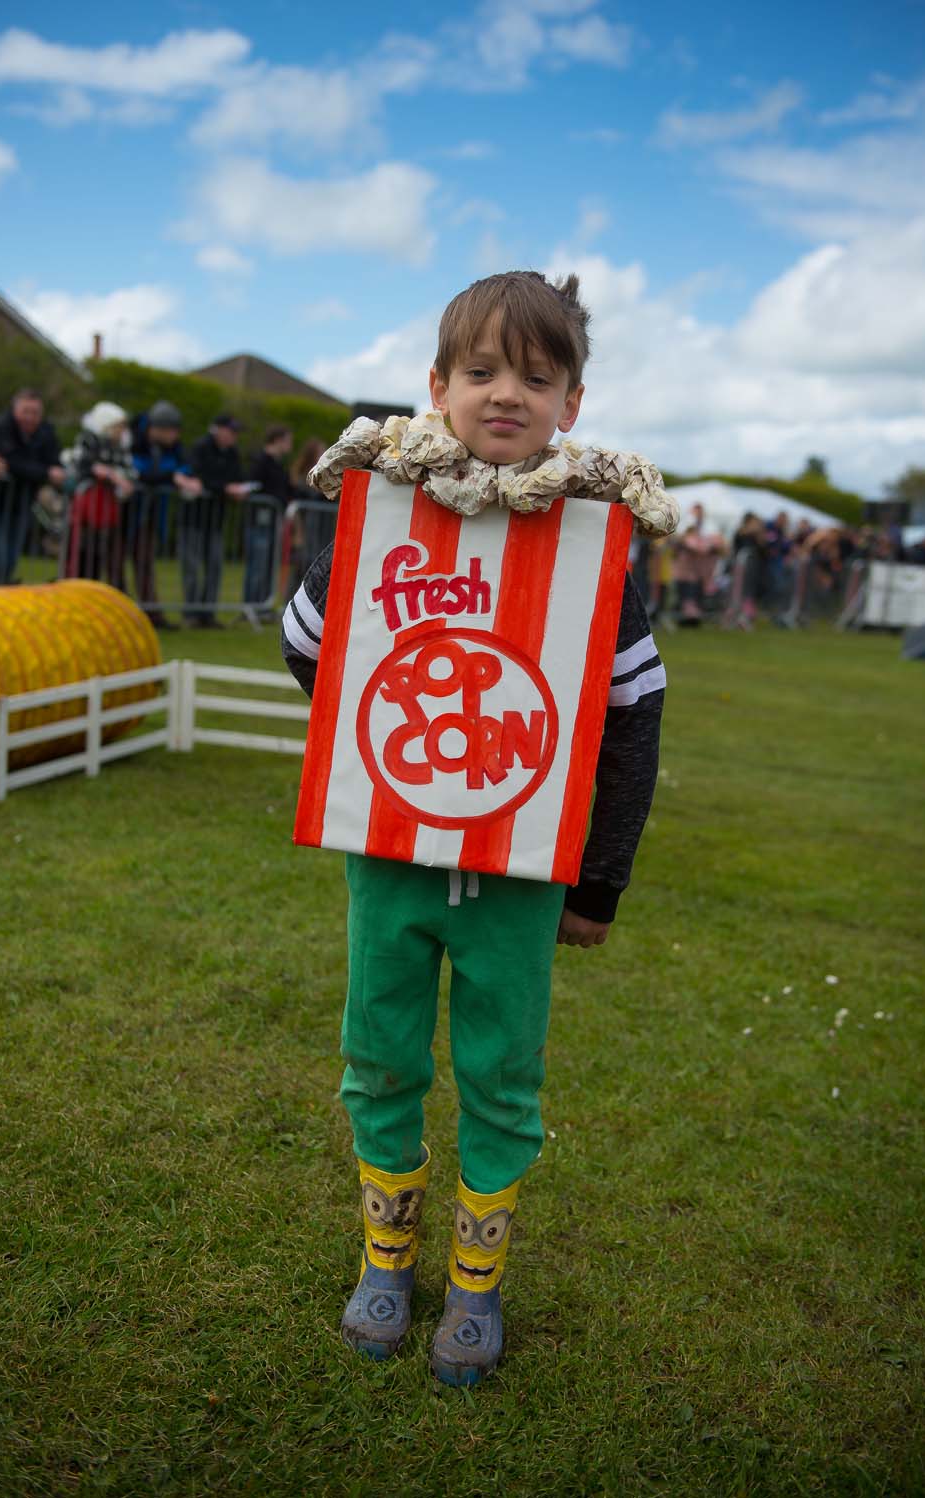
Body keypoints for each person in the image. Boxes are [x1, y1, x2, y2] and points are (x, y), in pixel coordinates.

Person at [281, 271, 668, 1386]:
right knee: (380, 1052)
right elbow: (309, 645)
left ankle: (475, 1285)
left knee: (502, 1070)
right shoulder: (383, 516)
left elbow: (632, 717)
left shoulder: (599, 549)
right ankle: (385, 1257)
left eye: (535, 377)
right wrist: (379, 743)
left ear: (572, 403)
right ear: (437, 389)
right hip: (393, 860)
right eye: (482, 372)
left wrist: (600, 882)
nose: (507, 394)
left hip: (521, 878)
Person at [129, 401, 201, 629]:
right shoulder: (134, 442)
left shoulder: (172, 447)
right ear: (157, 428)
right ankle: (120, 614)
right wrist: (173, 477)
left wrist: (181, 475)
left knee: (145, 563)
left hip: (149, 515)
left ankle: (152, 614)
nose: (176, 436)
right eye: (172, 431)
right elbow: (140, 472)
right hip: (125, 515)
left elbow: (185, 466)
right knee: (114, 564)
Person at [0, 389, 66, 586]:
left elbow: (54, 460)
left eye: (35, 412)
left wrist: (55, 471)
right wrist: (46, 473)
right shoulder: (1, 426)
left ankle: (1, 589)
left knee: (12, 554)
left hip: (22, 502)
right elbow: (11, 461)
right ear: (14, 409)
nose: (30, 417)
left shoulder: (46, 431)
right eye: (25, 411)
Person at [185, 414, 251, 628]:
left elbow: (238, 477)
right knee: (193, 567)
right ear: (218, 429)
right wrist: (225, 488)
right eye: (231, 431)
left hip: (215, 520)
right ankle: (192, 613)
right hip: (194, 518)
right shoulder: (201, 447)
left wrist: (238, 489)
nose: (234, 436)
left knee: (214, 566)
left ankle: (208, 613)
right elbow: (197, 476)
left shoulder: (232, 453)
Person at [64, 402, 135, 590]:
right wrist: (109, 474)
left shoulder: (121, 446)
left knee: (106, 554)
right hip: (87, 509)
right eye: (117, 426)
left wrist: (122, 481)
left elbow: (129, 472)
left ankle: (98, 593)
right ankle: (74, 590)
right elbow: (84, 465)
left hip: (109, 509)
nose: (121, 431)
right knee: (81, 551)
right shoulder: (88, 440)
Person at [244, 423, 292, 617]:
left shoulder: (278, 465)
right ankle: (252, 606)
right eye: (288, 441)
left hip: (273, 522)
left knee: (268, 566)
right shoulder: (260, 462)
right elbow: (254, 487)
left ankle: (263, 605)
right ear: (278, 440)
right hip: (259, 522)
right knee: (258, 565)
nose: (289, 445)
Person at [286, 436, 330, 596]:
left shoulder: (326, 479)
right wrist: (298, 533)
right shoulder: (300, 480)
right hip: (306, 530)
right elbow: (297, 508)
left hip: (321, 529)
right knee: (302, 566)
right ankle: (290, 600)